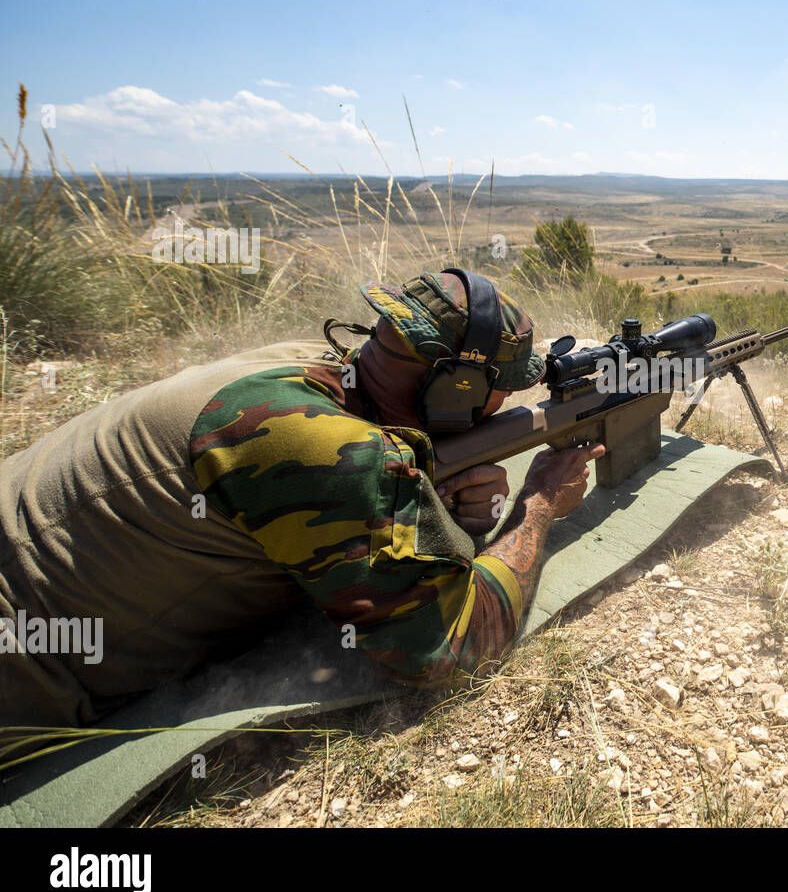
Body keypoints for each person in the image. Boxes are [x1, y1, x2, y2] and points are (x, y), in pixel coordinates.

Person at [0, 268, 603, 729]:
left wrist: (429, 497)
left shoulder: (307, 369)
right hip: (26, 682)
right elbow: (450, 650)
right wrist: (540, 503)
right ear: (457, 387)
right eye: (498, 391)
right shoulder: (324, 446)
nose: (500, 406)